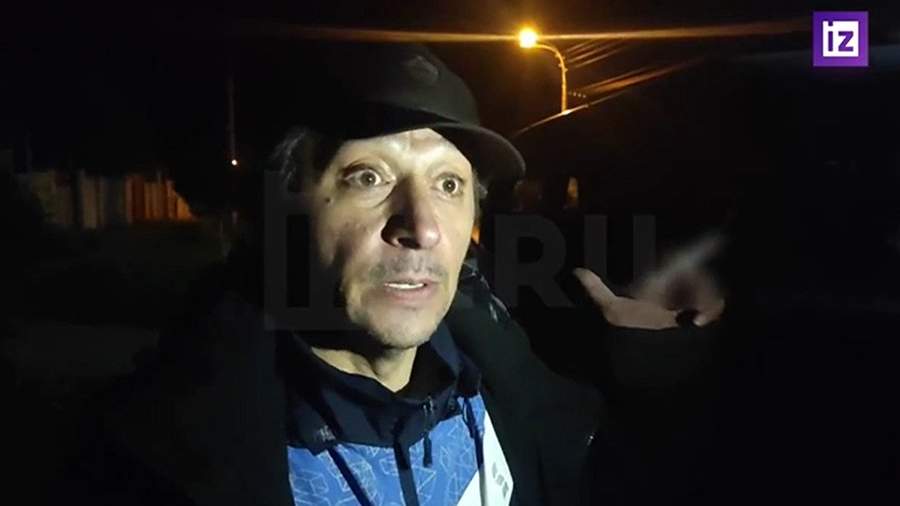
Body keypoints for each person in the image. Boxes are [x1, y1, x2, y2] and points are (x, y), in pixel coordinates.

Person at [53, 43, 723, 506]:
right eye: (368, 177)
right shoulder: (151, 462)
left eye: (449, 185)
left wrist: (656, 361)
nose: (421, 226)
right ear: (283, 210)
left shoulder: (518, 392)